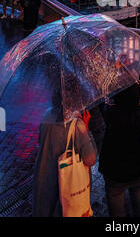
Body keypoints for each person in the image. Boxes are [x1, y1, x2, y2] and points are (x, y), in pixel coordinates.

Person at [32, 89, 97, 217]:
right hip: (66, 187)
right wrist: (86, 129)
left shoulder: (46, 116)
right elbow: (91, 159)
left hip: (44, 182)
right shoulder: (77, 125)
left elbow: (42, 142)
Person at [99, 83, 140, 217]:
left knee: (116, 213)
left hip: (114, 170)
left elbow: (102, 102)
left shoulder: (111, 115)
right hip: (138, 165)